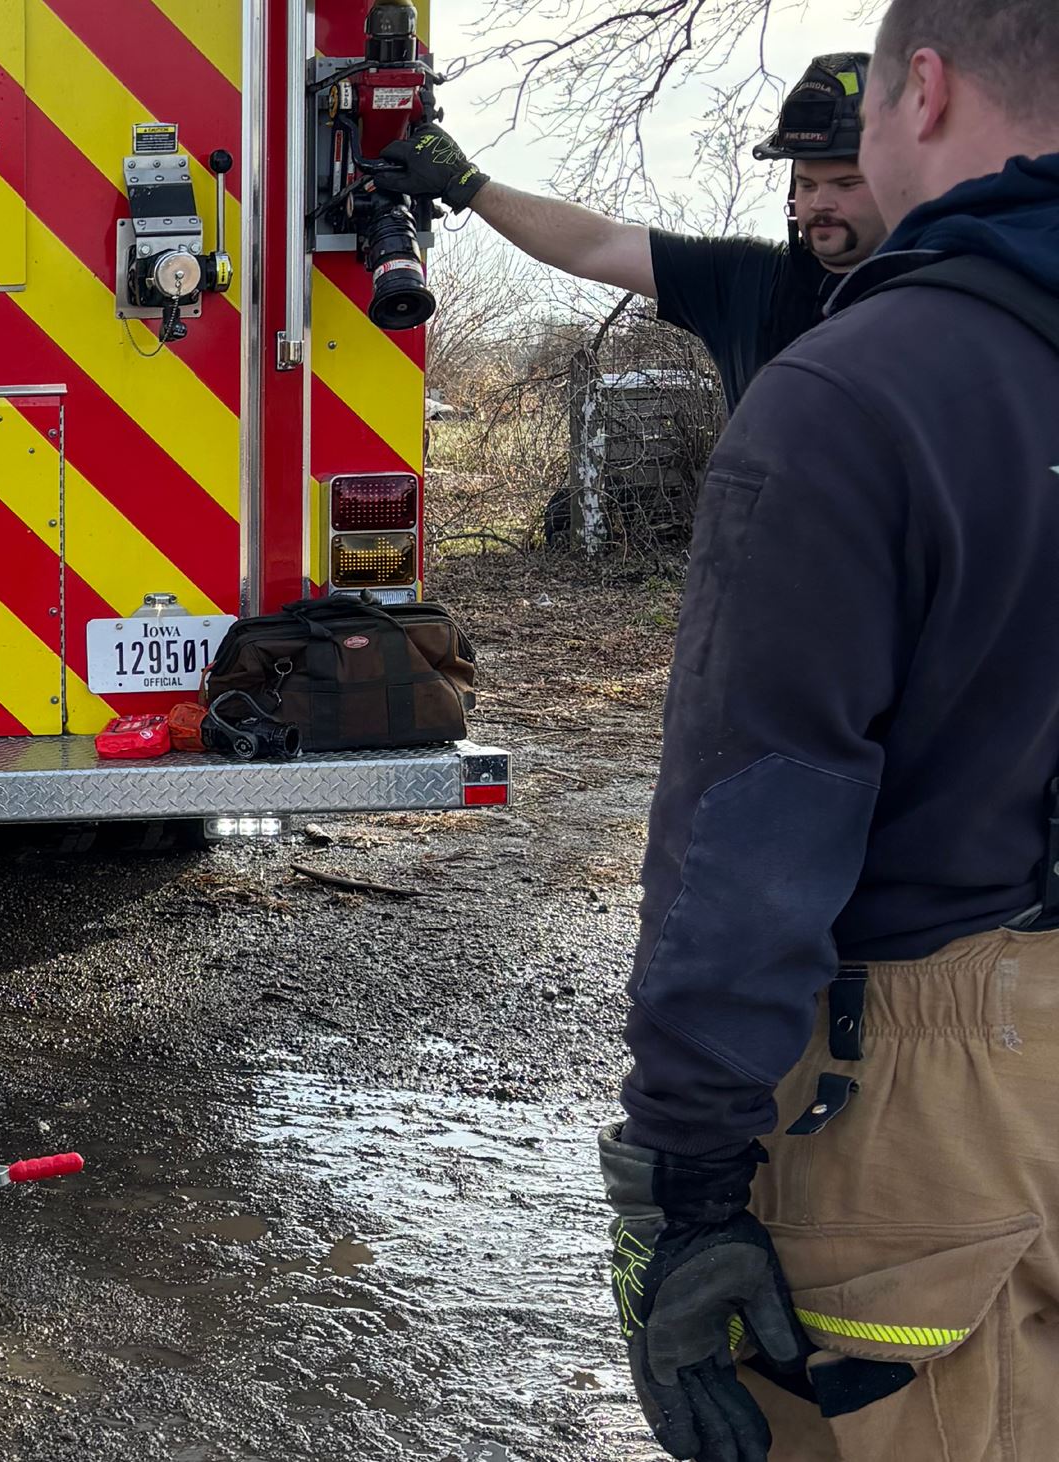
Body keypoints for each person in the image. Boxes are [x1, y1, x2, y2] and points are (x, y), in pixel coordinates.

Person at [586, 1, 1059, 1457]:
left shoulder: (860, 398)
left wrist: (686, 1177)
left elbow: (757, 828)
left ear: (922, 90)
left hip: (925, 1078)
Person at [367, 54, 889, 410]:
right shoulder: (749, 281)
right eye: (807, 181)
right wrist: (469, 185)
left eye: (847, 183)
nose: (821, 203)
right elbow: (597, 244)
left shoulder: (951, 291)